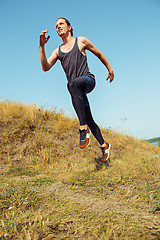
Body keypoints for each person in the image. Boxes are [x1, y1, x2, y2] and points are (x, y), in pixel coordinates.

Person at [39, 17, 114, 161]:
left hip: (88, 80)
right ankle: (104, 146)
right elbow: (45, 67)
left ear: (69, 27)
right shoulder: (58, 51)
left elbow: (98, 53)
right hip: (76, 91)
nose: (58, 27)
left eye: (61, 24)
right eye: (56, 26)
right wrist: (41, 46)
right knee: (89, 118)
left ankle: (82, 129)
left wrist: (110, 69)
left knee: (72, 84)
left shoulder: (81, 41)